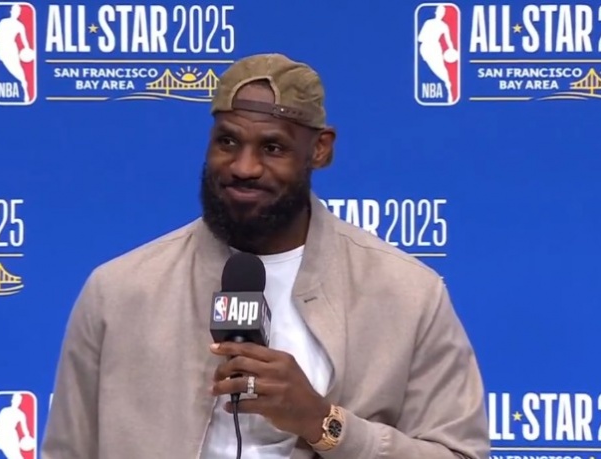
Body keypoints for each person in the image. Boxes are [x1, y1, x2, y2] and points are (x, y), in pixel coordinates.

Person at [40, 53, 490, 459]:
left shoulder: (409, 295)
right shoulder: (118, 292)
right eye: (228, 142)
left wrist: (323, 423)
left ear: (320, 149)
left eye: (272, 148)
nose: (244, 167)